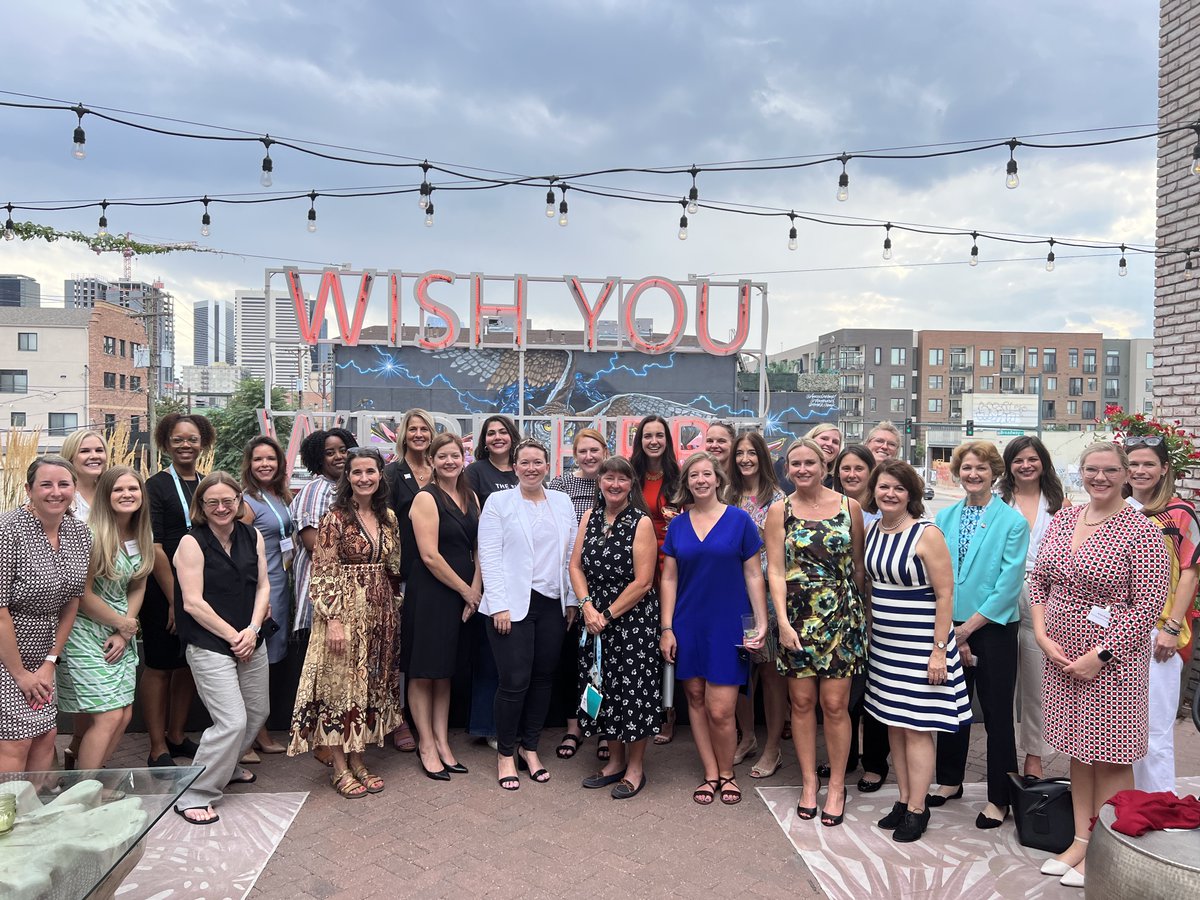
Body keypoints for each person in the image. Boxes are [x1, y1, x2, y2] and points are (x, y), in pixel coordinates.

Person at [1030, 442, 1170, 887]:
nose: (1100, 478)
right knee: (1077, 751)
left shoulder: (1140, 529)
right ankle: (1080, 840)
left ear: (1126, 474)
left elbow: (1148, 605)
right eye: (1092, 469)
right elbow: (1039, 578)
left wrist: (1101, 655)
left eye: (1110, 470)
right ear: (1080, 472)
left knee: (1110, 757)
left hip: (1112, 662)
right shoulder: (1067, 517)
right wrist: (1040, 632)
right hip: (1060, 655)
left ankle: (1108, 851)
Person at [864, 459, 971, 844]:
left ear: (911, 494)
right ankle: (904, 797)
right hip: (886, 648)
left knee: (917, 727)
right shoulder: (875, 529)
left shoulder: (926, 534)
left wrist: (939, 651)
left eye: (898, 488)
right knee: (894, 723)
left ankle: (918, 808)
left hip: (922, 646)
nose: (889, 494)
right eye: (883, 487)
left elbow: (945, 595)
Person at [289, 447, 404, 799]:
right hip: (343, 613)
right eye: (357, 472)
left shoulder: (388, 517)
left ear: (380, 475)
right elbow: (323, 571)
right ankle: (339, 767)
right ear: (347, 478)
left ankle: (359, 760)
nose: (364, 478)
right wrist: (334, 620)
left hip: (379, 615)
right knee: (340, 690)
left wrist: (392, 608)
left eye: (370, 471)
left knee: (368, 688)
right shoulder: (334, 517)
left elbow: (394, 568)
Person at [766, 438, 867, 827]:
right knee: (802, 703)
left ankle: (837, 785)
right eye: (796, 464)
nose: (803, 469)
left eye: (810, 462)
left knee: (836, 706)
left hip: (842, 616)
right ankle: (809, 783)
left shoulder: (849, 507)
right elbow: (775, 569)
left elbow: (858, 567)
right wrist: (783, 623)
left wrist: (862, 616)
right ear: (787, 469)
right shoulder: (780, 511)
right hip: (796, 618)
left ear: (824, 467)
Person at [659, 451, 768, 807]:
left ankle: (727, 773)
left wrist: (760, 622)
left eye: (707, 474)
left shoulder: (740, 521)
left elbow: (754, 574)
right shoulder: (677, 525)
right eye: (694, 475)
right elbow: (669, 578)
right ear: (686, 483)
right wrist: (667, 628)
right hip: (688, 623)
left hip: (728, 625)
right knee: (694, 699)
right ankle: (710, 773)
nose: (701, 480)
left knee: (721, 708)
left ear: (718, 479)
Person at [928, 442, 1028, 829]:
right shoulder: (945, 516)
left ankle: (999, 798)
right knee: (952, 707)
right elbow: (939, 574)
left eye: (981, 469)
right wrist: (953, 628)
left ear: (995, 473)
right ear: (957, 471)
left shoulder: (1012, 522)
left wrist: (967, 629)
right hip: (949, 624)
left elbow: (1007, 584)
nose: (973, 474)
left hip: (994, 629)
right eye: (967, 467)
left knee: (998, 713)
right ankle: (950, 779)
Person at [478, 439, 578, 791]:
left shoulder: (562, 502)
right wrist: (499, 603)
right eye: (525, 462)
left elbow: (570, 555)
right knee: (513, 681)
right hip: (512, 605)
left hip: (553, 602)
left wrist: (571, 600)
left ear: (548, 466)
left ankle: (530, 748)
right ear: (515, 467)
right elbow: (488, 555)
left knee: (543, 678)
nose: (531, 468)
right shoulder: (498, 502)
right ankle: (506, 754)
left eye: (538, 462)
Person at [171, 473, 271, 825]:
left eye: (227, 500)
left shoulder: (252, 535)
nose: (221, 507)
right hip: (210, 642)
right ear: (201, 506)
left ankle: (225, 767)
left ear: (239, 500)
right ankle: (195, 793)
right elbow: (193, 603)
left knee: (257, 712)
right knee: (231, 721)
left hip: (250, 635)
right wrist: (235, 636)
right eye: (212, 502)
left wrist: (253, 629)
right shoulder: (190, 543)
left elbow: (263, 587)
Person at [569, 456, 661, 799]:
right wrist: (586, 607)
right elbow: (575, 567)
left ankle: (635, 769)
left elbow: (643, 582)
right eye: (609, 478)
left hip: (631, 620)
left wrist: (605, 615)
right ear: (600, 481)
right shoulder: (589, 517)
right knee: (602, 687)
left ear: (631, 484)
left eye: (622, 479)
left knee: (633, 692)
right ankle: (614, 761)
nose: (615, 484)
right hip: (593, 618)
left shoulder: (641, 522)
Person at [57, 466, 152, 771]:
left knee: (123, 714)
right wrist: (121, 624)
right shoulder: (90, 533)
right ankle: (83, 792)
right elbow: (81, 594)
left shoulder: (141, 532)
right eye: (118, 490)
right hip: (85, 631)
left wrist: (125, 629)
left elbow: (138, 583)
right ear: (105, 495)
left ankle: (88, 778)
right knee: (108, 715)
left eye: (133, 489)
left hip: (120, 629)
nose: (127, 495)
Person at [0, 457, 91, 773]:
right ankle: (7, 816)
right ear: (29, 489)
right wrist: (22, 674)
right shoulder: (7, 530)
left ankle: (33, 814)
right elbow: (0, 612)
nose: (56, 492)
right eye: (46, 484)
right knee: (15, 739)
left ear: (73, 489)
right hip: (8, 647)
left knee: (45, 733)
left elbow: (72, 602)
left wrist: (50, 662)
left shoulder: (79, 532)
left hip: (44, 652)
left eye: (64, 484)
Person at [402, 433, 481, 781]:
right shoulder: (425, 498)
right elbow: (430, 556)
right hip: (433, 593)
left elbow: (480, 548)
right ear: (431, 461)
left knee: (445, 670)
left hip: (463, 594)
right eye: (443, 456)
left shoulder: (471, 495)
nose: (450, 461)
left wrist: (475, 590)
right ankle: (426, 744)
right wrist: (467, 591)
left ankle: (443, 740)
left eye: (455, 455)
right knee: (423, 671)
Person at [1123, 434, 1199, 793]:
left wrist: (1171, 627)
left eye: (1148, 463)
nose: (1140, 471)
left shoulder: (1181, 513)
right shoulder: (1116, 511)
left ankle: (1157, 805)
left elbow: (1191, 572)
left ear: (1164, 468)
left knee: (1154, 728)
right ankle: (1122, 802)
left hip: (1159, 635)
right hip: (1117, 632)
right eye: (1133, 464)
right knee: (1120, 727)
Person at [142, 413, 217, 768]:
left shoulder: (206, 484)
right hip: (165, 590)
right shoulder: (154, 485)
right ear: (165, 443)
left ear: (203, 442)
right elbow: (154, 546)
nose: (186, 445)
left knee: (189, 664)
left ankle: (176, 735)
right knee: (159, 665)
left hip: (200, 589)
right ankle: (157, 746)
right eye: (178, 440)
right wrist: (175, 600)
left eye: (192, 439)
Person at [998, 435, 1069, 779]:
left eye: (1032, 459)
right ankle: (1002, 755)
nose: (1026, 465)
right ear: (1008, 466)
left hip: (1045, 597)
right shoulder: (998, 501)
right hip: (1000, 593)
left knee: (1037, 681)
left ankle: (1034, 756)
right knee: (999, 684)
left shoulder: (1060, 503)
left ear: (1043, 462)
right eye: (1018, 460)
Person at [288, 426, 358, 767]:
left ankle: (334, 740)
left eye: (343, 449)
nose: (338, 456)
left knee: (336, 675)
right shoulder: (318, 491)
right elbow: (316, 545)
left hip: (348, 601)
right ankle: (321, 742)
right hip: (321, 599)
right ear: (318, 458)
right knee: (320, 676)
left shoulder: (349, 490)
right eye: (330, 452)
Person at [727, 430, 788, 781]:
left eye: (752, 453)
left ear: (762, 457)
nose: (745, 459)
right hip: (731, 593)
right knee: (737, 669)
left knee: (769, 672)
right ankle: (747, 736)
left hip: (763, 595)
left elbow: (777, 553)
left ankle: (772, 747)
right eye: (740, 453)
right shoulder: (727, 494)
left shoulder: (777, 499)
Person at [548, 428, 608, 761]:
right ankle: (574, 727)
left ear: (604, 451)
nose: (588, 456)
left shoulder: (614, 480)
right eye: (582, 451)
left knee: (602, 662)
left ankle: (601, 728)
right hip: (569, 581)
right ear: (575, 454)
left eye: (594, 450)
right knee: (572, 660)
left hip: (606, 583)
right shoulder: (560, 486)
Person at [464, 414, 520, 750]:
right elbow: (474, 524)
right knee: (489, 654)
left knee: (515, 655)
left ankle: (512, 724)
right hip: (490, 569)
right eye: (491, 433)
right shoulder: (476, 473)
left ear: (513, 436)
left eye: (503, 432)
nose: (497, 437)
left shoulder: (525, 469)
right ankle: (487, 725)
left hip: (524, 576)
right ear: (484, 441)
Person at [382, 409, 435, 753]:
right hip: (402, 571)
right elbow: (384, 522)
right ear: (403, 434)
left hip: (437, 568)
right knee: (398, 646)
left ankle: (426, 719)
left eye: (424, 429)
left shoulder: (443, 469)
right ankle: (397, 718)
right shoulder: (391, 473)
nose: (418, 434)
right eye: (412, 429)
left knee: (425, 646)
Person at [829, 444, 882, 787]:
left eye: (858, 468)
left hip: (879, 612)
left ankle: (875, 764)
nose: (851, 474)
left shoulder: (882, 512)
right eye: (845, 469)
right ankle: (845, 759)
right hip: (841, 615)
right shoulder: (831, 510)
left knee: (875, 694)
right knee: (845, 694)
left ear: (870, 472)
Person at [238, 435, 295, 757]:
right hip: (262, 591)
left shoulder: (277, 496)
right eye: (258, 459)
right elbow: (243, 554)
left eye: (270, 459)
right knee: (254, 666)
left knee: (268, 664)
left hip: (279, 586)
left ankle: (259, 732)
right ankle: (249, 738)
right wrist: (259, 600)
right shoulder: (248, 503)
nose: (265, 464)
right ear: (250, 464)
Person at [631, 414, 682, 744]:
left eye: (659, 435)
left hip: (674, 564)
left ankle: (669, 713)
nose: (653, 441)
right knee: (645, 639)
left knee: (670, 635)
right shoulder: (632, 475)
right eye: (647, 435)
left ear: (666, 440)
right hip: (639, 564)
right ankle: (646, 708)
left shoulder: (679, 478)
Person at [61, 429, 108, 522]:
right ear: (70, 457)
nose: (94, 456)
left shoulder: (111, 492)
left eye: (99, 450)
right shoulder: (58, 495)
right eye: (85, 451)